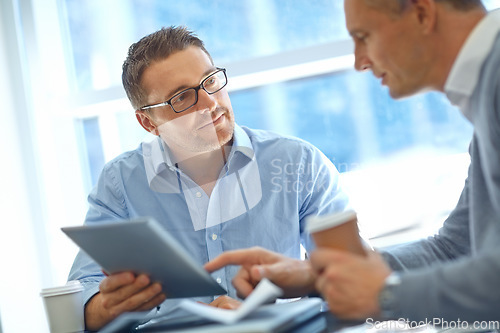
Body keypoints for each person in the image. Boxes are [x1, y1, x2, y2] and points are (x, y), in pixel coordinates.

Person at [206, 0, 500, 323]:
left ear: (422, 13)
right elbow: (454, 249)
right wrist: (316, 275)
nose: (360, 62)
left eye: (364, 36)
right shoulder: (486, 94)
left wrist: (388, 297)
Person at [67, 26, 349, 331]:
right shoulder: (120, 183)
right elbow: (83, 293)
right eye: (183, 97)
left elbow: (355, 276)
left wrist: (294, 288)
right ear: (148, 122)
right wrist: (107, 305)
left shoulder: (298, 163)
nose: (210, 104)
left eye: (211, 81)